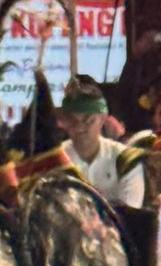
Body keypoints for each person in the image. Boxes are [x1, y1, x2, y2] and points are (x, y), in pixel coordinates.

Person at [59, 74, 144, 207]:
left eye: (88, 121)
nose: (80, 128)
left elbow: (130, 214)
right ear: (63, 122)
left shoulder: (124, 160)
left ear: (103, 118)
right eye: (73, 121)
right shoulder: (57, 161)